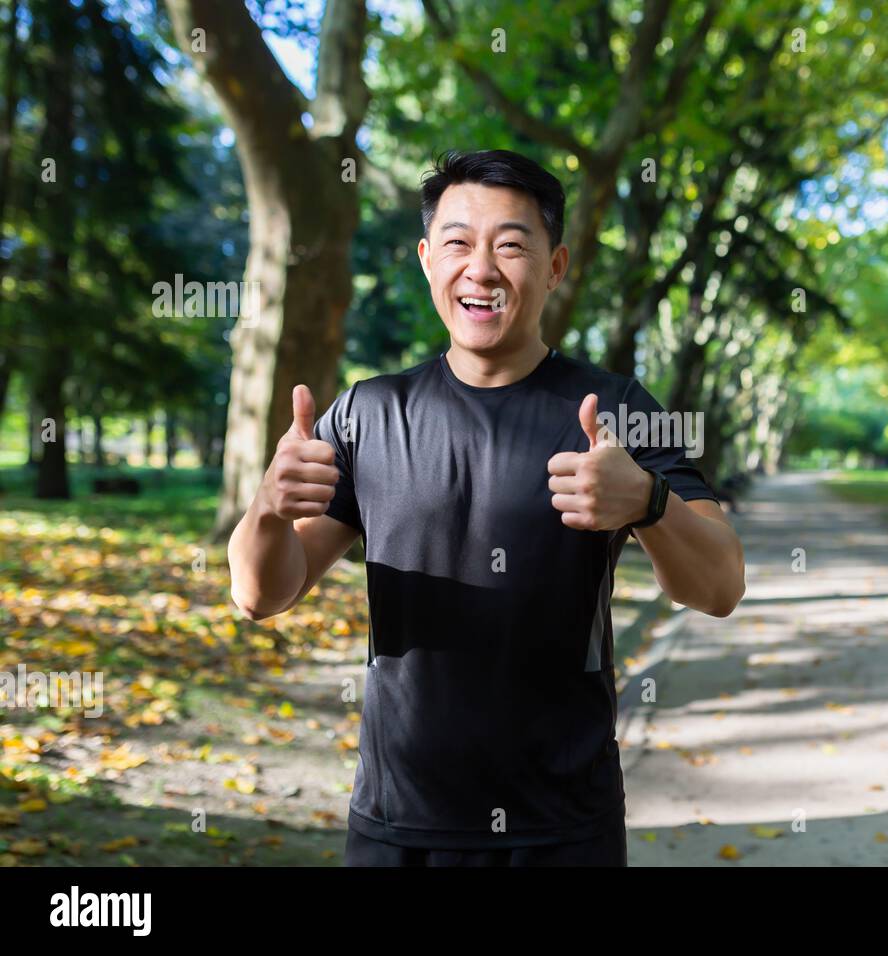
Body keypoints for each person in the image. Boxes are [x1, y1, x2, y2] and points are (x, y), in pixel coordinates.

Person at [225, 148, 746, 867]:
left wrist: (649, 501)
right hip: (397, 825)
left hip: (565, 827)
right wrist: (269, 508)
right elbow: (260, 595)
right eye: (458, 243)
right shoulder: (369, 413)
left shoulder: (617, 410)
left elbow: (720, 587)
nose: (482, 268)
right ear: (425, 258)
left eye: (511, 246)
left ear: (556, 266)